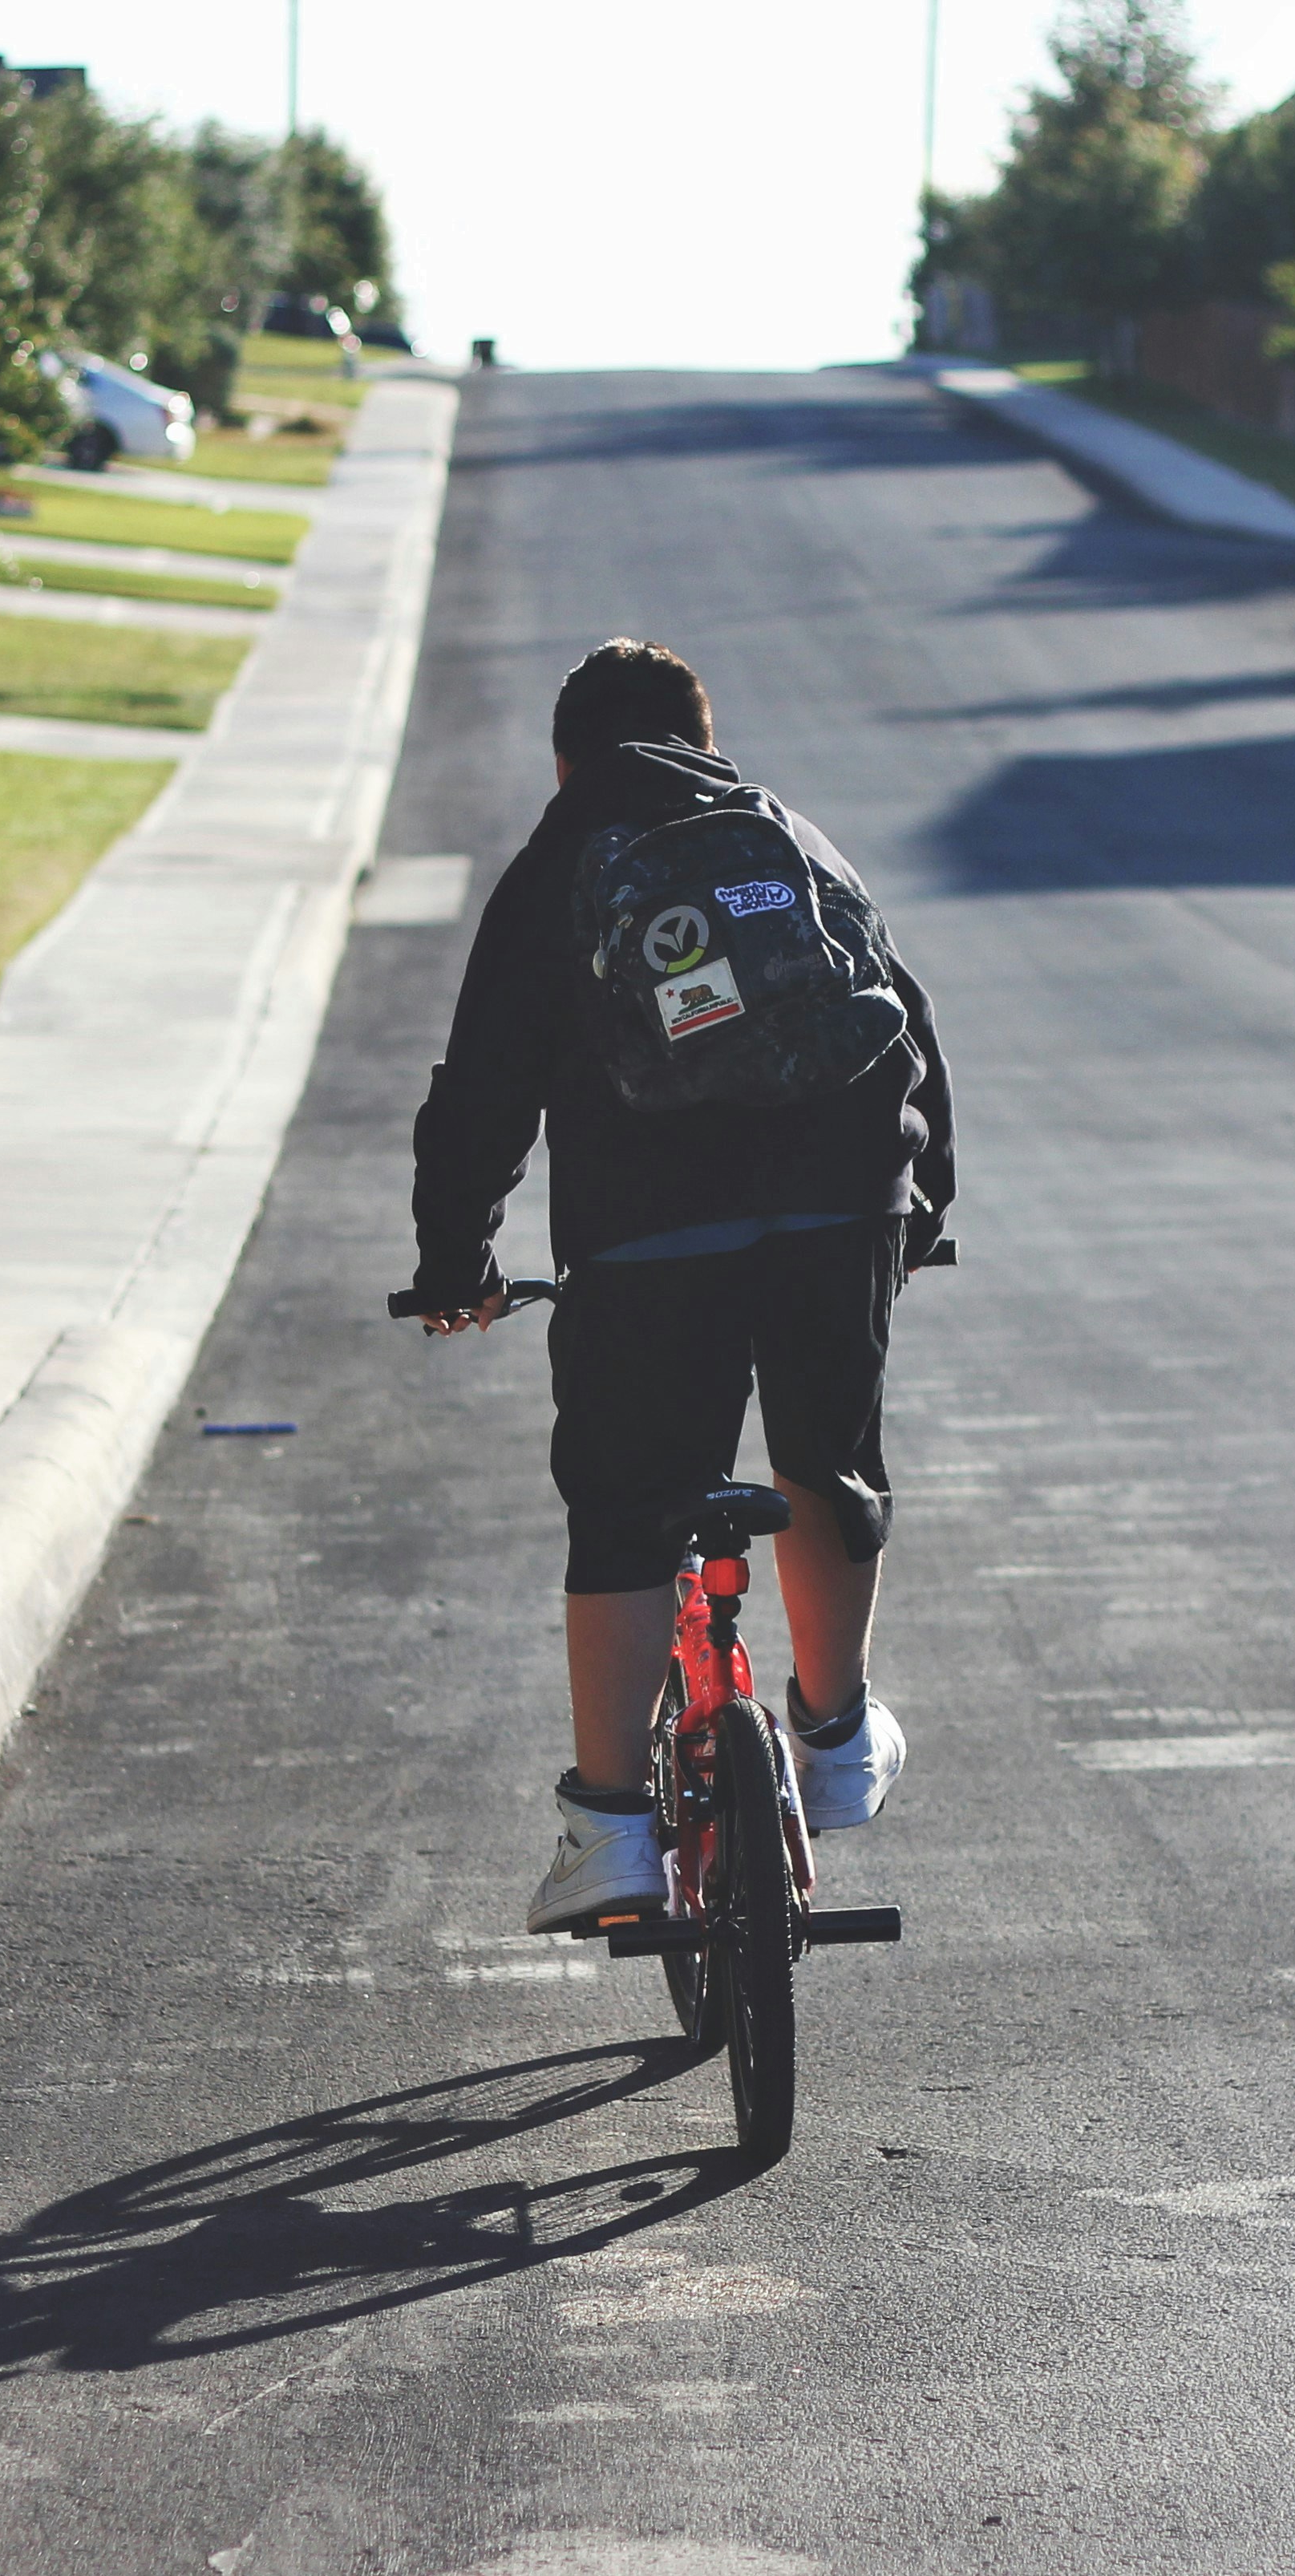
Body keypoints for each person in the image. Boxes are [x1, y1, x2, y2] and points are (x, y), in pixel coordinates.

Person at [407, 638, 957, 1932]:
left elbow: (479, 1093)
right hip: (843, 1198)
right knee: (829, 1458)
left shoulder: (559, 868)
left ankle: (606, 1830)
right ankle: (831, 1738)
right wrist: (916, 1213)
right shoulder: (790, 837)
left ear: (565, 762)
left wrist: (454, 1265)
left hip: (650, 1231)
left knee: (628, 1504)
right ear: (708, 740)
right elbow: (909, 1023)